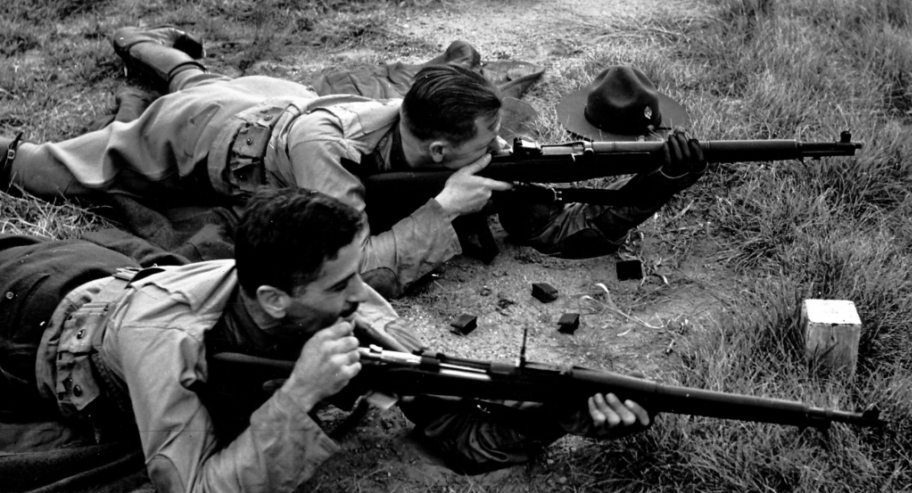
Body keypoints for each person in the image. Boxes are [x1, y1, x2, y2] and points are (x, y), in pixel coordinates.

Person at [0, 189, 654, 493]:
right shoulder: (168, 346)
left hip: (109, 273)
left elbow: (442, 418)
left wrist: (553, 417)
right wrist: (296, 398)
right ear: (275, 298)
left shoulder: (320, 301)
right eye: (339, 286)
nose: (360, 297)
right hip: (31, 318)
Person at [0, 27, 706, 298]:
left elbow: (560, 232)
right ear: (434, 150)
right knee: (45, 167)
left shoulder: (431, 122)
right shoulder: (326, 155)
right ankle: (145, 49)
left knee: (197, 74)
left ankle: (149, 44)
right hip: (209, 136)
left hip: (283, 96)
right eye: (479, 146)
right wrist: (440, 212)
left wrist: (660, 179)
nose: (494, 154)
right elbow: (352, 268)